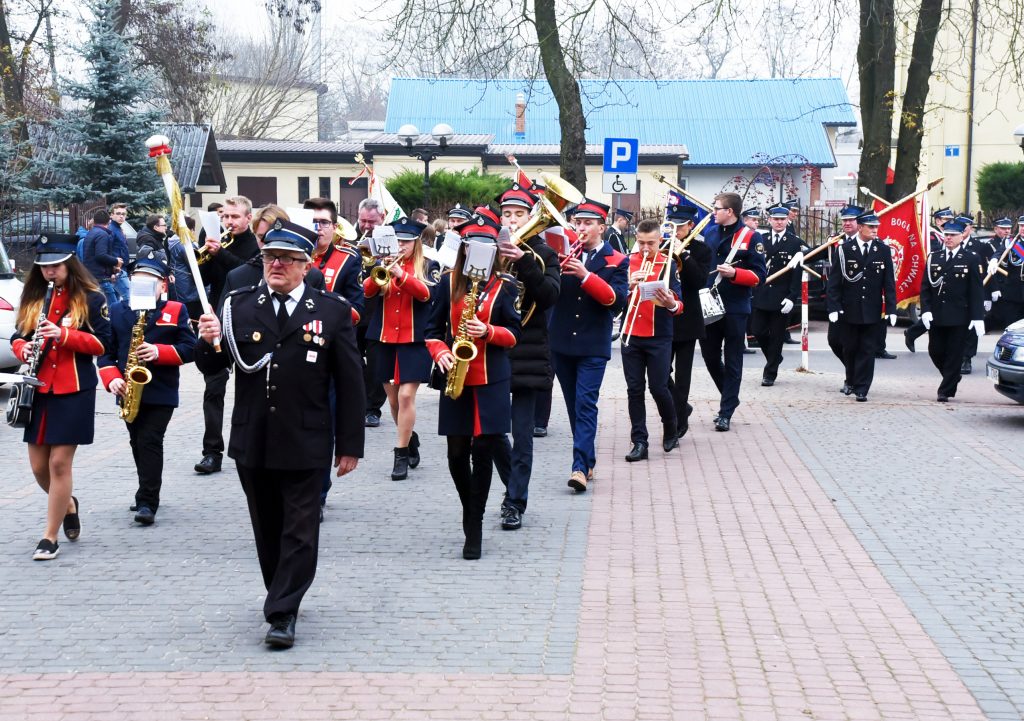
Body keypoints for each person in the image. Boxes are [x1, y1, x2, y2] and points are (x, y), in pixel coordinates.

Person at [194, 221, 364, 649]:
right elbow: (213, 368)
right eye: (271, 257)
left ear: (307, 266)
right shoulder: (238, 305)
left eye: (287, 260)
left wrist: (350, 446)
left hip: (307, 438)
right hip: (253, 436)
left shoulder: (331, 310)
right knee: (268, 527)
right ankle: (281, 592)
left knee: (301, 529)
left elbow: (350, 383)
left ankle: (283, 611)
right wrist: (207, 341)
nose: (276, 265)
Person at [425, 212, 520, 559]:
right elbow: (431, 331)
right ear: (464, 248)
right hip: (457, 376)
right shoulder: (447, 282)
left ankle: (474, 524)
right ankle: (470, 508)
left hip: (492, 377)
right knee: (455, 455)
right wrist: (440, 352)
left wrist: (489, 331)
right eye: (473, 245)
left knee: (483, 452)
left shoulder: (505, 286)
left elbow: (515, 334)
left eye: (486, 246)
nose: (479, 251)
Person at [10, 235, 111, 560]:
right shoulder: (35, 297)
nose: (49, 272)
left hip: (74, 389)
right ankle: (67, 504)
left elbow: (103, 344)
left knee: (58, 463)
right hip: (38, 389)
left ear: (70, 264)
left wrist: (64, 334)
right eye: (44, 267)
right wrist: (23, 348)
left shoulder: (92, 298)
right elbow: (18, 335)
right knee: (39, 466)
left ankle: (49, 537)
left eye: (55, 266)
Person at [97, 257, 197, 525]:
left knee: (150, 441)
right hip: (127, 389)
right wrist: (112, 379)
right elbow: (106, 353)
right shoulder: (117, 310)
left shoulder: (176, 310)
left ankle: (147, 501)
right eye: (138, 280)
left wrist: (158, 352)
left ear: (162, 285)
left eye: (150, 281)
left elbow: (191, 349)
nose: (143, 285)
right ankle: (146, 488)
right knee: (136, 441)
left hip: (162, 390)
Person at [490, 184, 561, 531]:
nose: (512, 220)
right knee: (490, 432)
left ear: (531, 217)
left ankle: (515, 502)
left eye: (519, 214)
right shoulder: (487, 247)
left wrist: (525, 263)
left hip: (528, 351)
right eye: (507, 214)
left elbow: (549, 297)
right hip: (491, 348)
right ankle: (512, 486)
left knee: (522, 434)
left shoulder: (544, 253)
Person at [550, 198, 628, 491]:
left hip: (593, 343)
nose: (581, 228)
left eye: (588, 223)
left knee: (585, 403)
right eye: (578, 222)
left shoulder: (616, 260)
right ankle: (588, 458)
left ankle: (579, 467)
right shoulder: (561, 253)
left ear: (601, 227)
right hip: (561, 341)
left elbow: (616, 302)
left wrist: (586, 276)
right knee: (573, 405)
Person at [364, 217, 438, 480]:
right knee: (394, 401)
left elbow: (427, 294)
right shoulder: (381, 263)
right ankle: (409, 438)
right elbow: (367, 292)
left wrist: (401, 275)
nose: (401, 246)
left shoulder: (429, 265)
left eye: (406, 242)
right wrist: (379, 269)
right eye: (397, 241)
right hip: (384, 337)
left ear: (416, 242)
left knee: (406, 396)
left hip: (415, 339)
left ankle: (400, 454)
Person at [195, 196, 259, 476]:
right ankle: (212, 452)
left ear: (248, 218)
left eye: (235, 217)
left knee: (253, 389)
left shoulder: (256, 244)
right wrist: (202, 258)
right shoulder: (219, 242)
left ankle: (251, 446)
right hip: (218, 319)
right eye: (225, 217)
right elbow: (202, 279)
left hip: (248, 322)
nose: (229, 222)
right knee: (213, 387)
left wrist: (220, 253)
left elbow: (247, 273)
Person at [699, 193, 767, 432]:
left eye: (717, 208)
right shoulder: (710, 233)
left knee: (733, 360)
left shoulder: (751, 236)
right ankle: (731, 395)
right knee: (709, 356)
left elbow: (759, 276)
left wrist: (735, 274)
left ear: (730, 212)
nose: (713, 212)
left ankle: (725, 411)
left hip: (735, 307)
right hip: (710, 305)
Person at [620, 218, 683, 461]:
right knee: (634, 390)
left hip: (659, 336)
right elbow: (615, 298)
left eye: (651, 243)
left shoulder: (669, 263)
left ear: (660, 241)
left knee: (658, 387)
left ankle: (671, 425)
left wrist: (670, 303)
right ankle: (639, 441)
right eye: (641, 243)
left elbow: (679, 304)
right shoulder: (627, 262)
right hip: (631, 334)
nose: (645, 248)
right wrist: (628, 286)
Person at [826, 211, 897, 402]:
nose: (875, 230)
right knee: (849, 348)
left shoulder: (882, 250)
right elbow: (834, 282)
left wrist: (891, 309)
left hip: (872, 310)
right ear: (860, 227)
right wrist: (833, 307)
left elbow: (889, 282)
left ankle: (862, 388)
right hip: (849, 309)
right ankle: (851, 379)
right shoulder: (844, 250)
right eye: (871, 227)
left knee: (867, 349)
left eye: (876, 227)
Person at [918, 219, 985, 402]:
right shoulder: (934, 257)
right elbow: (925, 287)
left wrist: (977, 317)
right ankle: (953, 376)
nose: (948, 238)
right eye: (946, 234)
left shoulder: (971, 258)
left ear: (961, 236)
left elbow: (976, 290)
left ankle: (945, 390)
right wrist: (926, 310)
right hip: (937, 314)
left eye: (953, 235)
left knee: (955, 354)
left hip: (959, 316)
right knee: (935, 351)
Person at [664, 202, 712, 440]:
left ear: (691, 225)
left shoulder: (701, 250)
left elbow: (700, 280)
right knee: (660, 374)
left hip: (688, 318)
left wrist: (683, 254)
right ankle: (682, 407)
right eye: (672, 226)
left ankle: (679, 422)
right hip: (664, 317)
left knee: (683, 376)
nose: (676, 231)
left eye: (680, 226)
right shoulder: (661, 246)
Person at [751, 205, 803, 387]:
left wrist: (792, 296)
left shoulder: (795, 242)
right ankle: (775, 357)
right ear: (770, 220)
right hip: (761, 294)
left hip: (782, 297)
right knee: (757, 331)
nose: (779, 222)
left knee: (777, 336)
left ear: (787, 220)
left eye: (782, 219)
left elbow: (797, 273)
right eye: (776, 219)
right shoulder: (760, 239)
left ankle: (770, 373)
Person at [355, 197, 388, 428]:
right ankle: (357, 402)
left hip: (379, 312)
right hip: (355, 311)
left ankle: (372, 409)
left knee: (377, 364)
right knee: (353, 359)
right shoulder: (350, 238)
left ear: (382, 218)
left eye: (372, 221)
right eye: (363, 221)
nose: (366, 226)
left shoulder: (391, 241)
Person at [826, 205, 862, 391]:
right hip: (838, 302)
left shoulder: (867, 244)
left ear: (859, 223)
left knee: (852, 345)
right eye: (845, 220)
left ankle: (851, 379)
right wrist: (802, 254)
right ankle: (853, 372)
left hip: (857, 302)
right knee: (834, 340)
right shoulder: (836, 243)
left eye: (851, 220)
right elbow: (818, 252)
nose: (847, 223)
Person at [988, 215, 1024, 331]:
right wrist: (994, 260)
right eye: (1021, 226)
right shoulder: (1010, 241)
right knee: (1011, 327)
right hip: (1013, 293)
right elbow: (999, 252)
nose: (1023, 228)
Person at [80, 208, 122, 307]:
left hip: (92, 276)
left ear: (94, 221)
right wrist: (116, 261)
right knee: (113, 308)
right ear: (109, 221)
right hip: (101, 279)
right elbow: (100, 255)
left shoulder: (91, 232)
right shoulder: (103, 234)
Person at [108, 203, 132, 302]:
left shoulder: (118, 228)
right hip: (117, 270)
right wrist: (112, 270)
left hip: (121, 269)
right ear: (111, 215)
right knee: (129, 298)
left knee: (116, 301)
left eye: (123, 214)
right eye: (118, 213)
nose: (121, 216)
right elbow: (108, 250)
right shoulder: (111, 230)